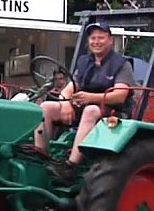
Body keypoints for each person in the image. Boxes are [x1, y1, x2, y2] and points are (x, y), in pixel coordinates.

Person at [33, 22, 135, 183]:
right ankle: (40, 157)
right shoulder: (85, 62)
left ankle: (70, 166)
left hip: (113, 111)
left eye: (101, 37)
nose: (96, 41)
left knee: (91, 110)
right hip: (85, 106)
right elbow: (70, 88)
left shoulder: (121, 64)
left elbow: (120, 96)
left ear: (110, 40)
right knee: (46, 107)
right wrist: (66, 103)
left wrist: (90, 98)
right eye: (93, 38)